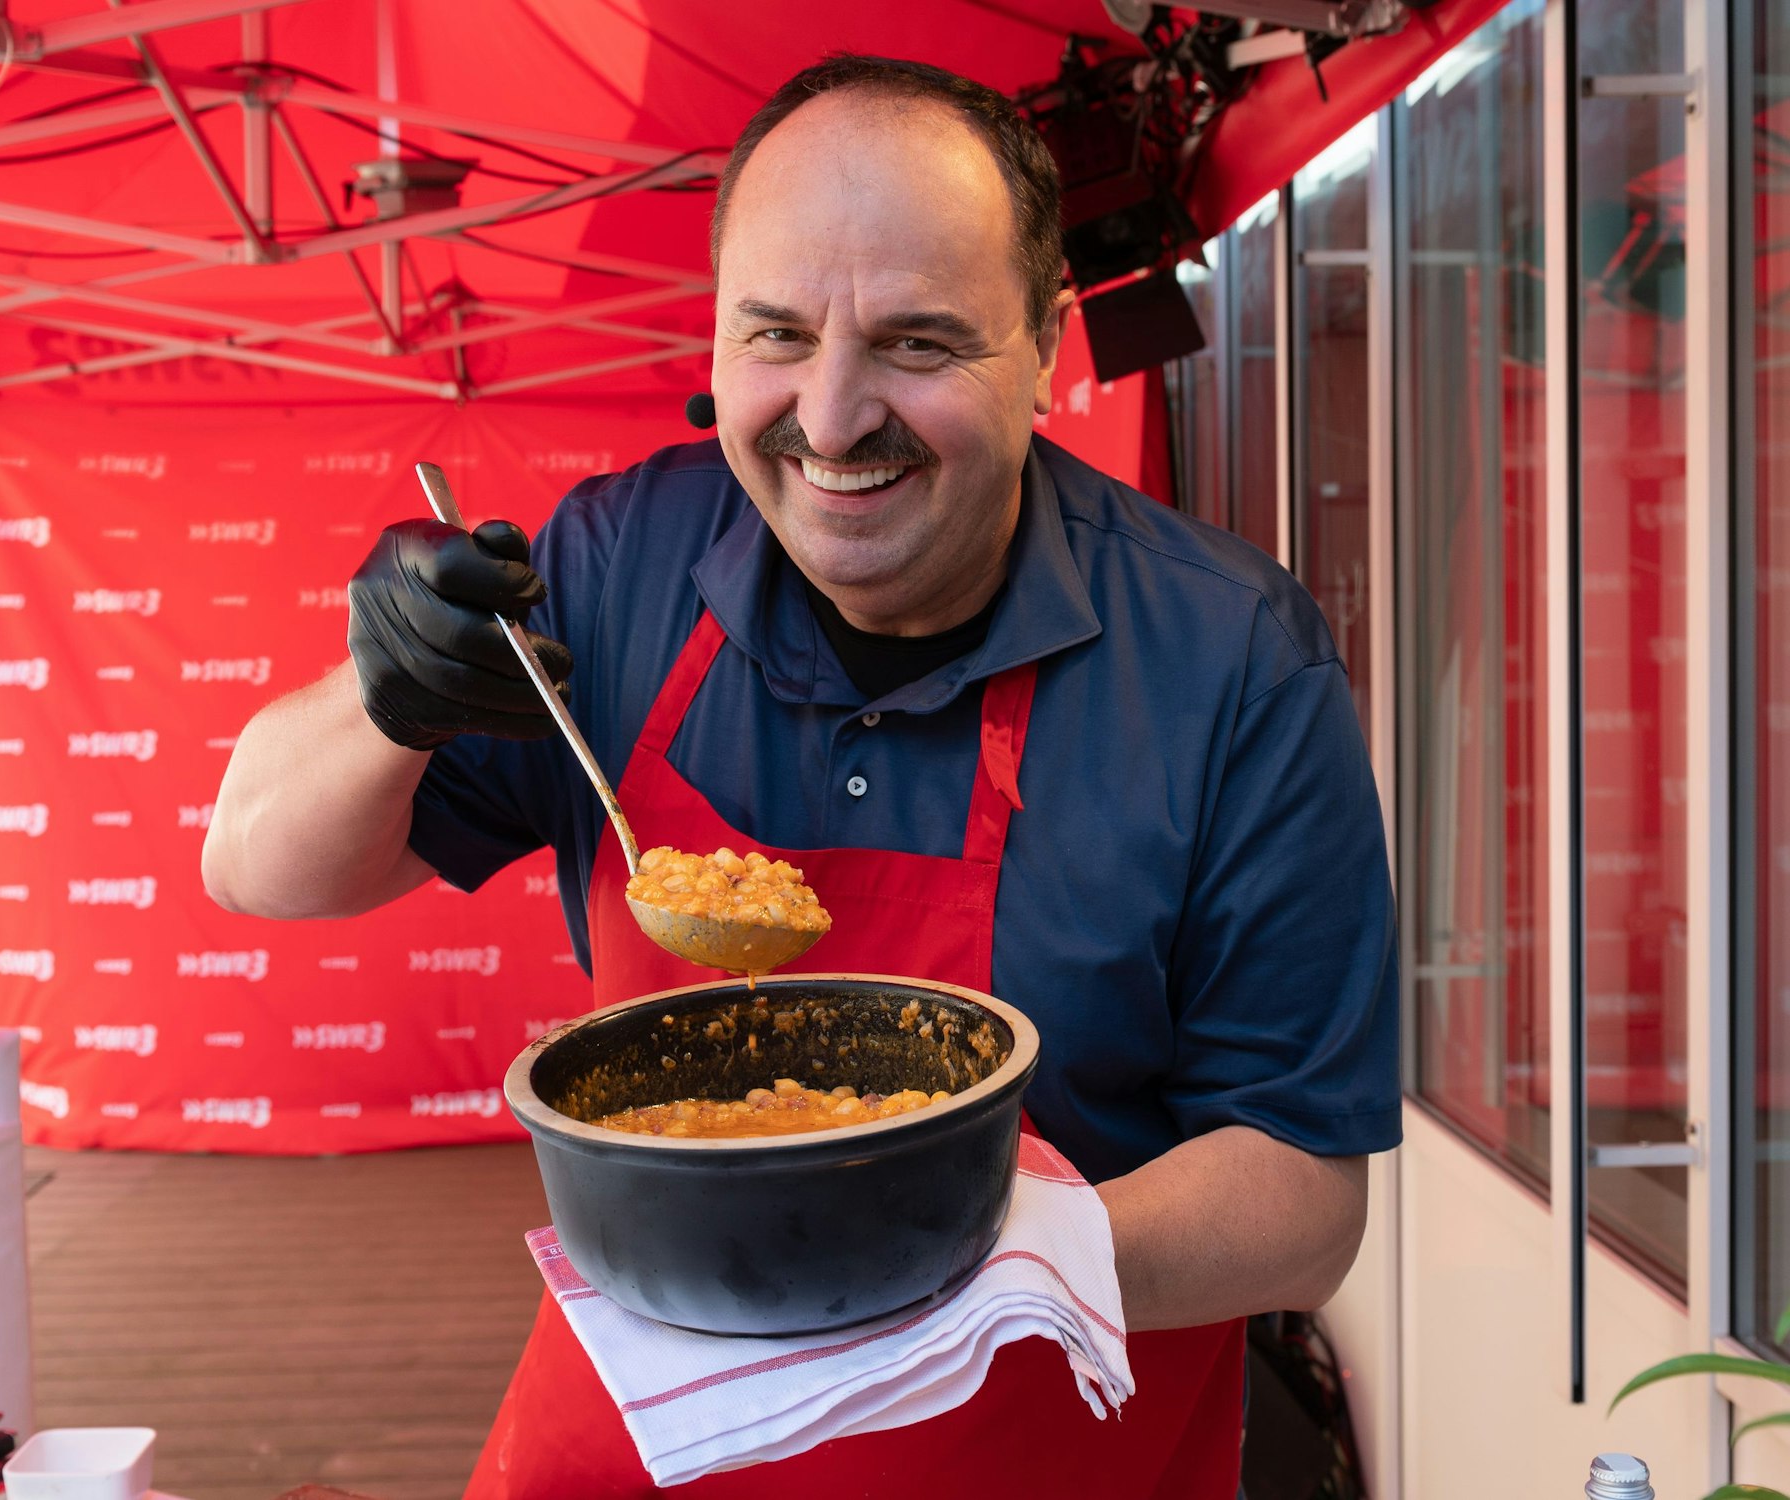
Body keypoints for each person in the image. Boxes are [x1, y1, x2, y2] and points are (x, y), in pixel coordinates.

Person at [204, 54, 1398, 1499]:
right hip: (637, 1454)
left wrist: (975, 1263)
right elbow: (258, 865)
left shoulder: (1232, 664)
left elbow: (1303, 1192)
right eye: (776, 334)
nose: (830, 420)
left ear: (1045, 345)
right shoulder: (612, 566)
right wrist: (384, 698)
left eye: (918, 344)